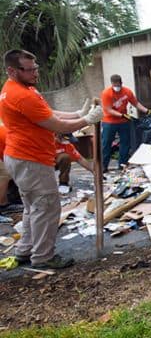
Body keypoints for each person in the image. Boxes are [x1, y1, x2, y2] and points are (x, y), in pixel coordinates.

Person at [0, 49, 103, 269]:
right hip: (30, 159)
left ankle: (25, 251)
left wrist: (77, 113)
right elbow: (57, 126)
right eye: (29, 70)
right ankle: (43, 257)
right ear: (12, 70)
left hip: (23, 157)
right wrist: (86, 120)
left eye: (36, 68)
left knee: (33, 208)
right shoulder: (22, 95)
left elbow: (48, 112)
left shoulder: (20, 89)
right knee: (47, 208)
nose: (35, 73)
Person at [100, 74, 149, 172]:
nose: (116, 87)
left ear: (121, 83)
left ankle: (122, 164)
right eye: (114, 85)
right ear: (112, 84)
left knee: (125, 143)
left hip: (123, 122)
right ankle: (103, 166)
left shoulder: (127, 92)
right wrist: (121, 115)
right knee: (106, 143)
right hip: (109, 122)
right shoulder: (106, 93)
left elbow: (136, 103)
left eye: (118, 85)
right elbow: (108, 109)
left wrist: (146, 110)